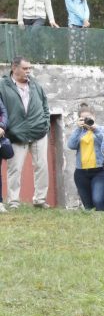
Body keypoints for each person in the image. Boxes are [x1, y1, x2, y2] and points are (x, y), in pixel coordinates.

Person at [0, 57, 51, 208]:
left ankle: (40, 200)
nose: (28, 71)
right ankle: (13, 202)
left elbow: (45, 105)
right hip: (16, 134)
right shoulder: (2, 86)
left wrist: (46, 124)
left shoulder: (35, 84)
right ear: (14, 68)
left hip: (38, 132)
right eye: (25, 68)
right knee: (14, 169)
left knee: (42, 166)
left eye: (30, 68)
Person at [67, 104, 104, 211]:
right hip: (81, 172)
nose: (86, 120)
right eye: (83, 118)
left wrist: (95, 129)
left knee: (98, 200)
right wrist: (78, 129)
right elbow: (71, 145)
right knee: (88, 206)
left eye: (88, 118)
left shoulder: (103, 129)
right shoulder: (78, 132)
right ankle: (93, 226)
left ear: (94, 116)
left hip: (101, 170)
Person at [64, 0, 90, 64]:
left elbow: (86, 10)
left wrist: (86, 20)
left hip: (83, 25)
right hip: (73, 24)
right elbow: (74, 10)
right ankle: (72, 64)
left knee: (82, 45)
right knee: (73, 45)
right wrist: (84, 19)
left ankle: (82, 64)